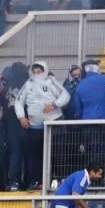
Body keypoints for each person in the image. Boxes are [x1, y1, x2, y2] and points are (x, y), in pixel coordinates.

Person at [15, 61, 71, 191]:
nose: (36, 74)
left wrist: (54, 105)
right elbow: (18, 101)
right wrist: (21, 116)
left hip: (54, 123)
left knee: (58, 154)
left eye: (39, 72)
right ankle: (36, 181)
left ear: (44, 71)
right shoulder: (28, 84)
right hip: (35, 127)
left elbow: (66, 95)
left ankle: (58, 179)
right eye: (34, 72)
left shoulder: (51, 81)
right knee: (35, 156)